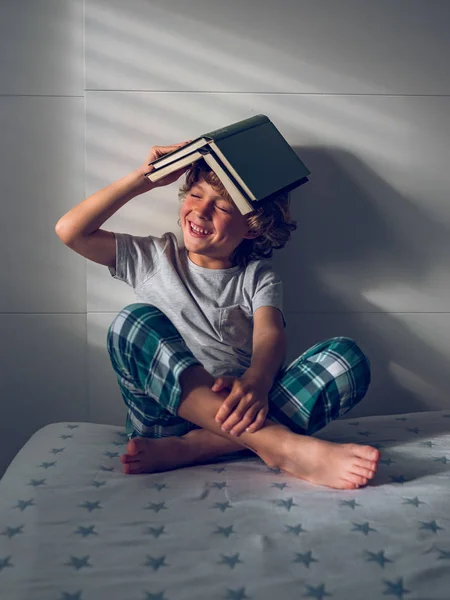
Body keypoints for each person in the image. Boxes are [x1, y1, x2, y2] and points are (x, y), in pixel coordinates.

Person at [55, 140, 380, 490]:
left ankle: (198, 447)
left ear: (252, 227)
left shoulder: (257, 276)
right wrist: (144, 179)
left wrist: (257, 380)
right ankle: (279, 445)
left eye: (223, 206)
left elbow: (269, 334)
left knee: (347, 358)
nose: (201, 211)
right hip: (165, 418)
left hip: (240, 412)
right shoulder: (152, 256)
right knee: (132, 323)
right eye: (195, 195)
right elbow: (70, 231)